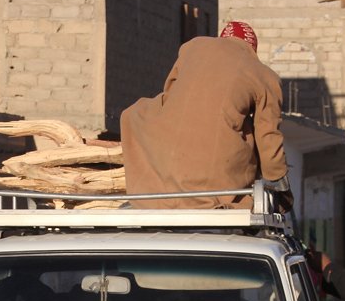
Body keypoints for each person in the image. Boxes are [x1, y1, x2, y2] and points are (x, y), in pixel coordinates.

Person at [119, 21, 290, 209]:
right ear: (252, 48)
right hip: (216, 183)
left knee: (136, 112)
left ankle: (148, 187)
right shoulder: (265, 76)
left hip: (166, 163)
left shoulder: (193, 47)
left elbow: (170, 91)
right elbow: (268, 138)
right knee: (247, 128)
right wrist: (278, 181)